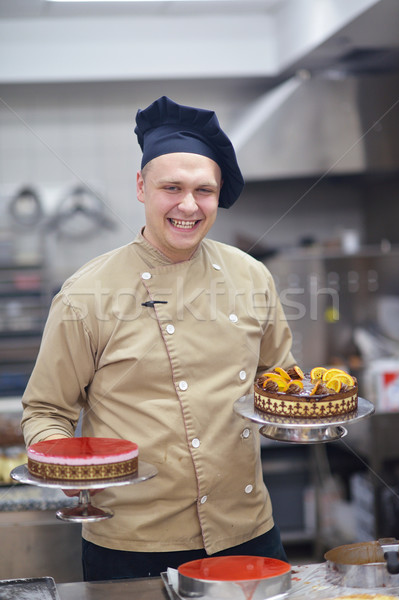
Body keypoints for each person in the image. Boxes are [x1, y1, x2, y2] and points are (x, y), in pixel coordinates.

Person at [21, 96, 296, 581]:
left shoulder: (252, 277)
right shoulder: (87, 293)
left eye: (203, 191)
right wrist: (61, 463)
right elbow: (46, 411)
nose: (188, 206)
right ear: (141, 187)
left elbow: (279, 381)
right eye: (172, 187)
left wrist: (300, 416)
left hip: (248, 530)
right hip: (133, 541)